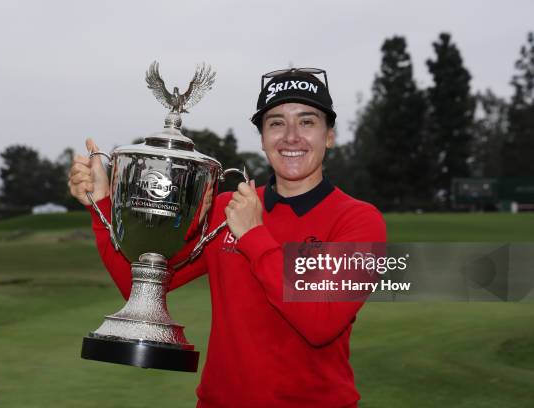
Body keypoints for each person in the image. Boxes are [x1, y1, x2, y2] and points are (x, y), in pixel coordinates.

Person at [69, 67, 386, 408]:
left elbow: (319, 323)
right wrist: (101, 204)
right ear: (263, 137)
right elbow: (138, 286)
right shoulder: (226, 209)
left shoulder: (360, 221)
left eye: (307, 122)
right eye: (276, 123)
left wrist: (253, 234)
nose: (291, 136)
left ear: (329, 136)